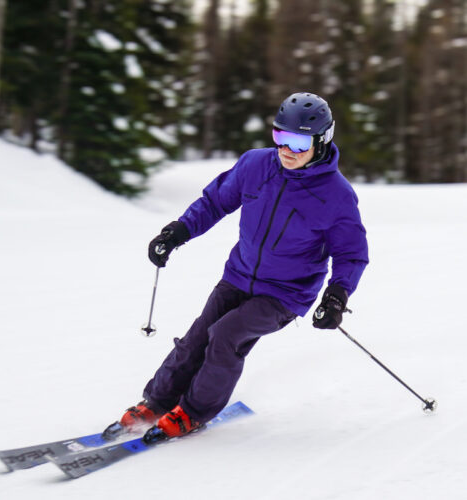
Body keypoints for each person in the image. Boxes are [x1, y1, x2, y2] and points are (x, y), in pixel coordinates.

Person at [104, 92, 369, 442]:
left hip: (285, 294)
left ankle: (195, 411)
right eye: (279, 136)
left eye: (299, 141)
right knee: (199, 335)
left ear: (322, 142)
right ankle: (158, 401)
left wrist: (336, 296)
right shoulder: (255, 166)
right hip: (238, 275)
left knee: (225, 336)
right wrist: (177, 232)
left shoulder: (336, 195)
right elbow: (214, 203)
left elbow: (351, 253)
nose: (287, 149)